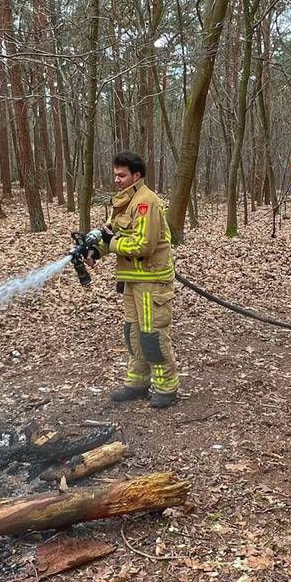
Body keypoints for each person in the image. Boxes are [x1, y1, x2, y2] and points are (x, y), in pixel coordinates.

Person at [95, 152, 180, 409]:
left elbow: (144, 244)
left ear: (137, 175)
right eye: (115, 174)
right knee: (132, 333)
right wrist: (95, 250)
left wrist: (112, 244)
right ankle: (137, 383)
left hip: (152, 280)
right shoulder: (124, 201)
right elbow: (112, 233)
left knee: (152, 335)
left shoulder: (146, 202)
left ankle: (166, 388)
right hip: (132, 280)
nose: (116, 179)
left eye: (122, 175)